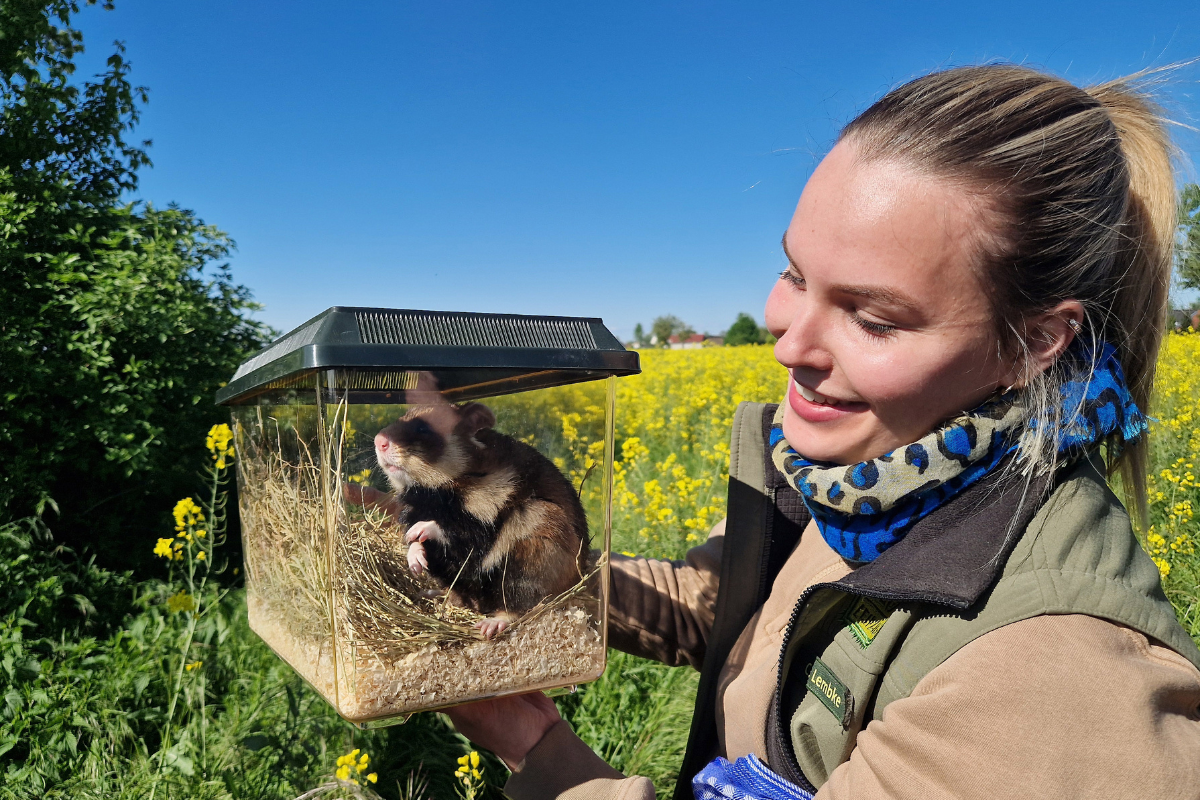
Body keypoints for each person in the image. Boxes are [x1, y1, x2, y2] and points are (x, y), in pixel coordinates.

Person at [448, 64, 1200, 799]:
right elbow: (724, 606)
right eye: (795, 275)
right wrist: (500, 562)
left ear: (1032, 344)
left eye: (872, 319)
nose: (788, 344)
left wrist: (553, 765)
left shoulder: (1048, 691)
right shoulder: (874, 480)